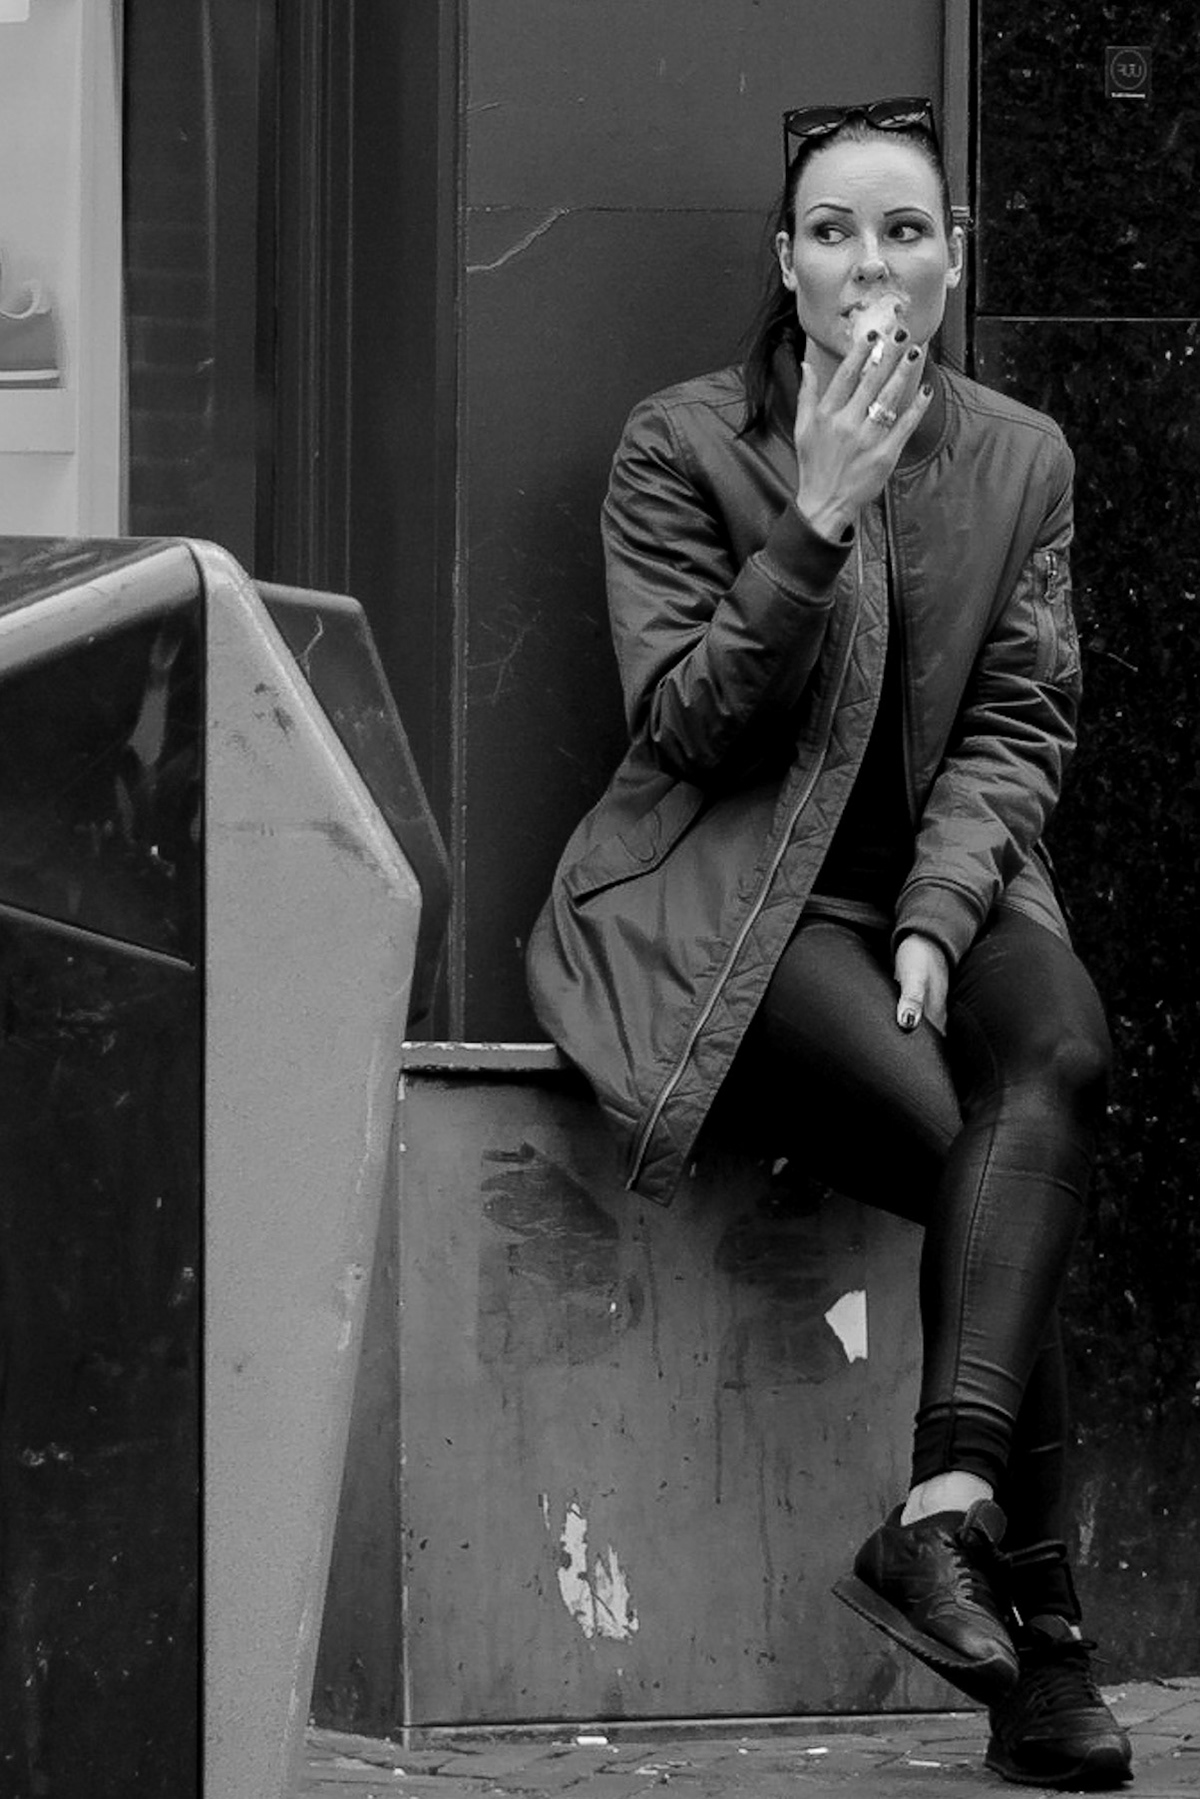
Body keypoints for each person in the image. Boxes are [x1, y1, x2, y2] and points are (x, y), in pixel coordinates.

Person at [526, 96, 1131, 1790]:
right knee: (976, 1162)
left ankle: (940, 1512)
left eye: (906, 232)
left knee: (1061, 1054)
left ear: (954, 262)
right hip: (740, 896)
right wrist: (815, 516)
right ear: (783, 262)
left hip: (946, 887)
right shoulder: (680, 443)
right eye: (836, 232)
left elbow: (1020, 719)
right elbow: (688, 723)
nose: (872, 264)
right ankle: (1047, 1654)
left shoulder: (1020, 455)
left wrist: (941, 914)